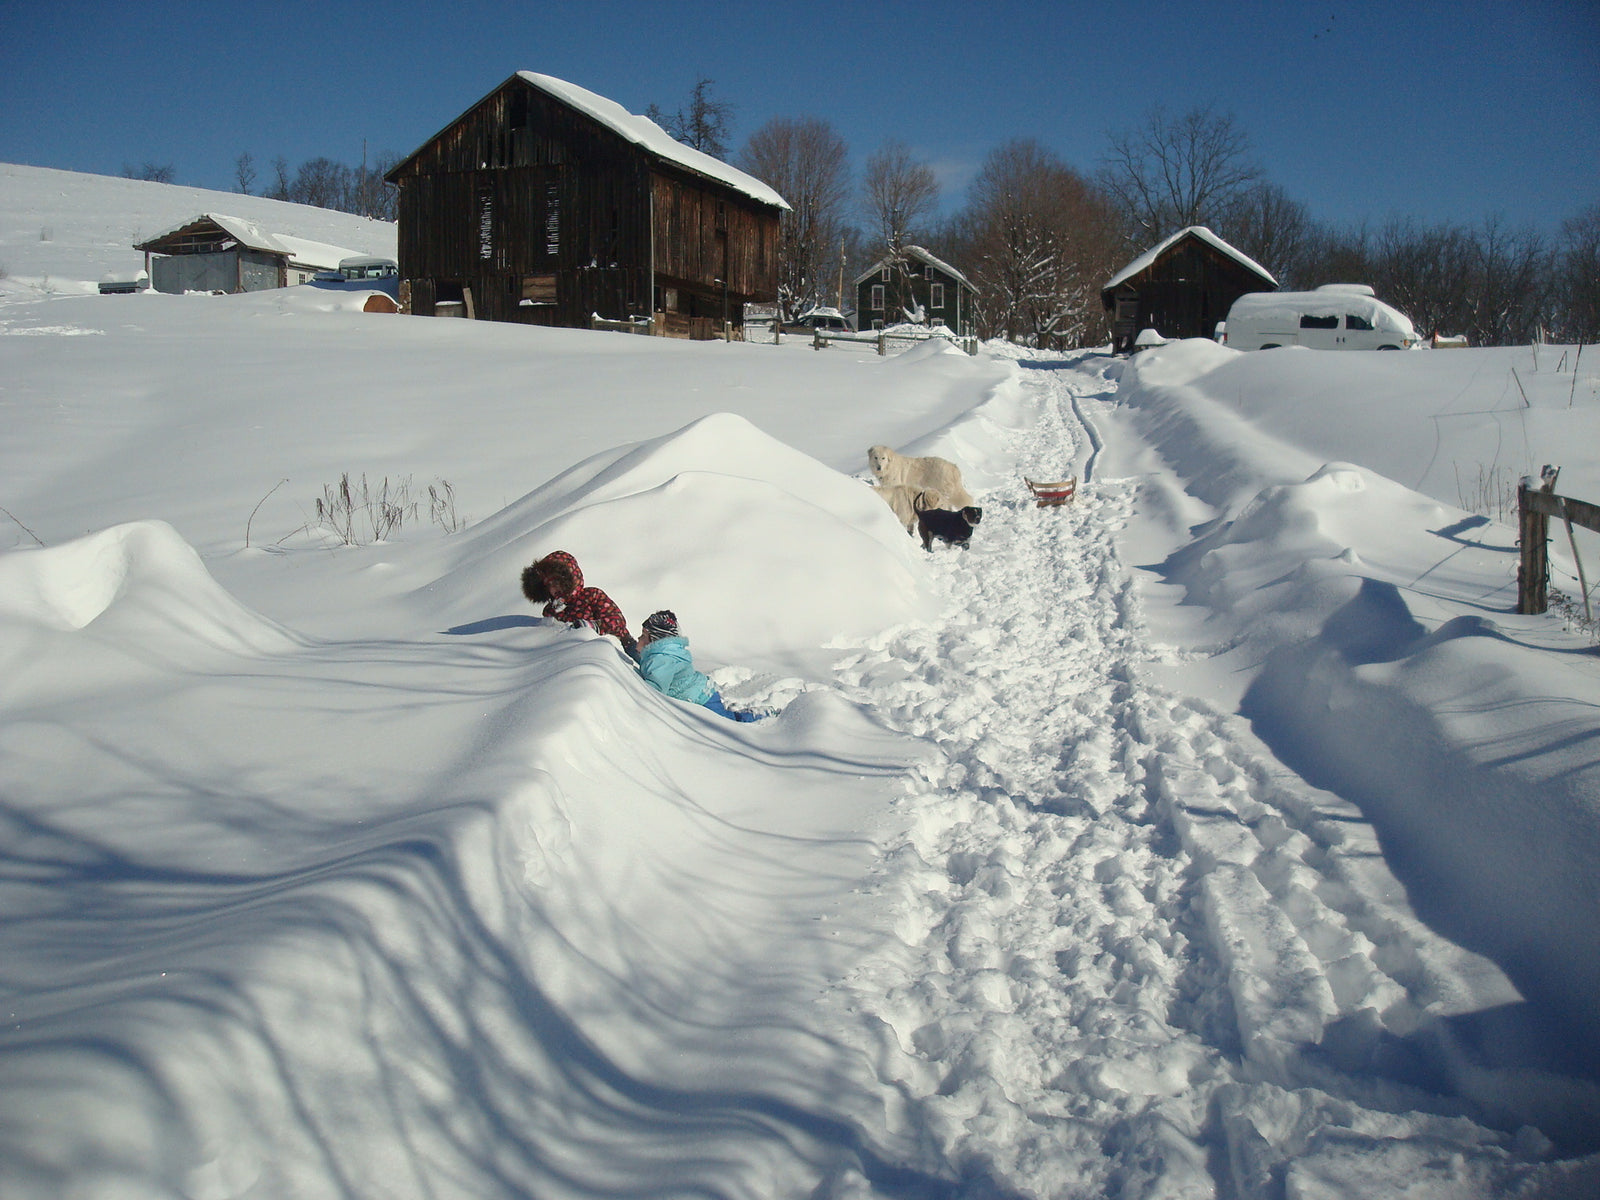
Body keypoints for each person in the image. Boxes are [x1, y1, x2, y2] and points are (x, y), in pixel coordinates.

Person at [636, 610, 757, 722]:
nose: (638, 638)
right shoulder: (663, 653)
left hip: (701, 701)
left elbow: (653, 690)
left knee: (730, 724)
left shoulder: (663, 660)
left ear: (654, 639)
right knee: (727, 719)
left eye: (643, 636)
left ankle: (758, 717)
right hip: (702, 694)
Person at [521, 550, 638, 659]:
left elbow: (617, 620)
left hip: (623, 647)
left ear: (569, 579)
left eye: (557, 582)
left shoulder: (592, 595)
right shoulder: (550, 611)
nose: (554, 588)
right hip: (577, 654)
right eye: (549, 585)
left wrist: (594, 626)